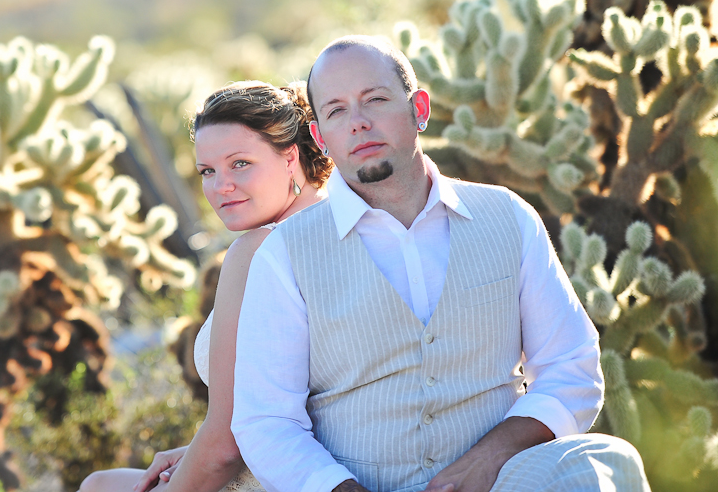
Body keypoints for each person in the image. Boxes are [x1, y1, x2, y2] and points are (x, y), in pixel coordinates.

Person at [230, 36, 651, 492]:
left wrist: (489, 458)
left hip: (502, 480)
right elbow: (266, 419)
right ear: (320, 138)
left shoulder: (506, 216)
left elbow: (571, 366)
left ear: (420, 109)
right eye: (336, 111)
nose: (359, 123)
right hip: (358, 487)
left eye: (375, 100)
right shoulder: (285, 254)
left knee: (607, 461)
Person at [80, 81, 332, 492]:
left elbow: (226, 445)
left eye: (240, 164)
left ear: (290, 157)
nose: (220, 187)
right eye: (207, 171)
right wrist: (193, 449)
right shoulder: (349, 220)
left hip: (285, 475)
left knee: (98, 487)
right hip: (318, 463)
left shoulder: (256, 251)